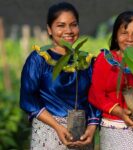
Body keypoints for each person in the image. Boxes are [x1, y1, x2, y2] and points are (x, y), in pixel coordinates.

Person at [20, 2, 100, 150]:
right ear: (49, 29)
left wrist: (91, 127)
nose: (68, 30)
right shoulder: (39, 59)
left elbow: (95, 97)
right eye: (61, 25)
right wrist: (57, 126)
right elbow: (28, 99)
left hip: (81, 134)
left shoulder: (87, 61)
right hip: (49, 131)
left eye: (73, 24)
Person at [88, 11, 133, 150]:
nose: (130, 38)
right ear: (115, 36)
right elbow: (96, 94)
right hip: (114, 129)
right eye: (124, 33)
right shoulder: (105, 60)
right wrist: (119, 112)